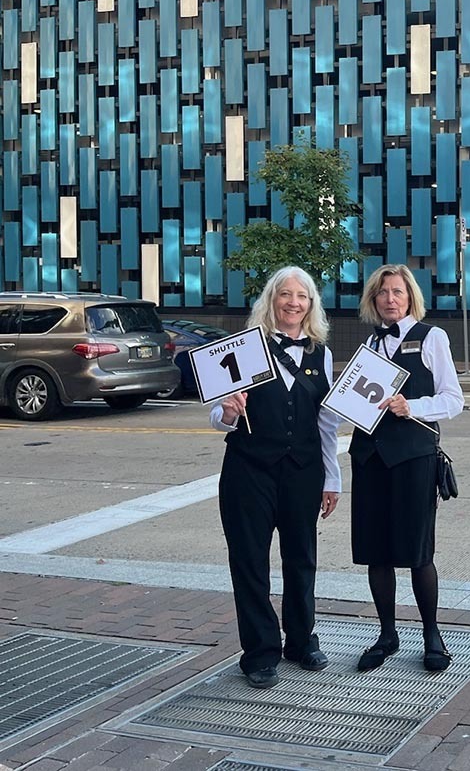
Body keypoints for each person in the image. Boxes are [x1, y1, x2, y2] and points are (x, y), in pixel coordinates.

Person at [210, 266, 341, 689]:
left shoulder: (322, 353)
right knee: (250, 562)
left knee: (302, 559)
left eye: (302, 296)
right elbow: (217, 414)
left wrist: (332, 478)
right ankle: (260, 652)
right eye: (285, 294)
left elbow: (326, 423)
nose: (293, 302)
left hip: (303, 472)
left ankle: (301, 641)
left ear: (311, 304)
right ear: (271, 300)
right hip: (249, 470)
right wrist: (228, 412)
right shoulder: (245, 349)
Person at [349, 264, 464, 674]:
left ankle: (432, 635)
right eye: (382, 293)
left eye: (397, 291)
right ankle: (386, 634)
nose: (390, 299)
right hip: (369, 459)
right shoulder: (370, 344)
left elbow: (453, 399)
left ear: (410, 296)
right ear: (373, 300)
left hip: (414, 458)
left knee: (417, 552)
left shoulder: (432, 337)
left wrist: (411, 406)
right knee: (376, 552)